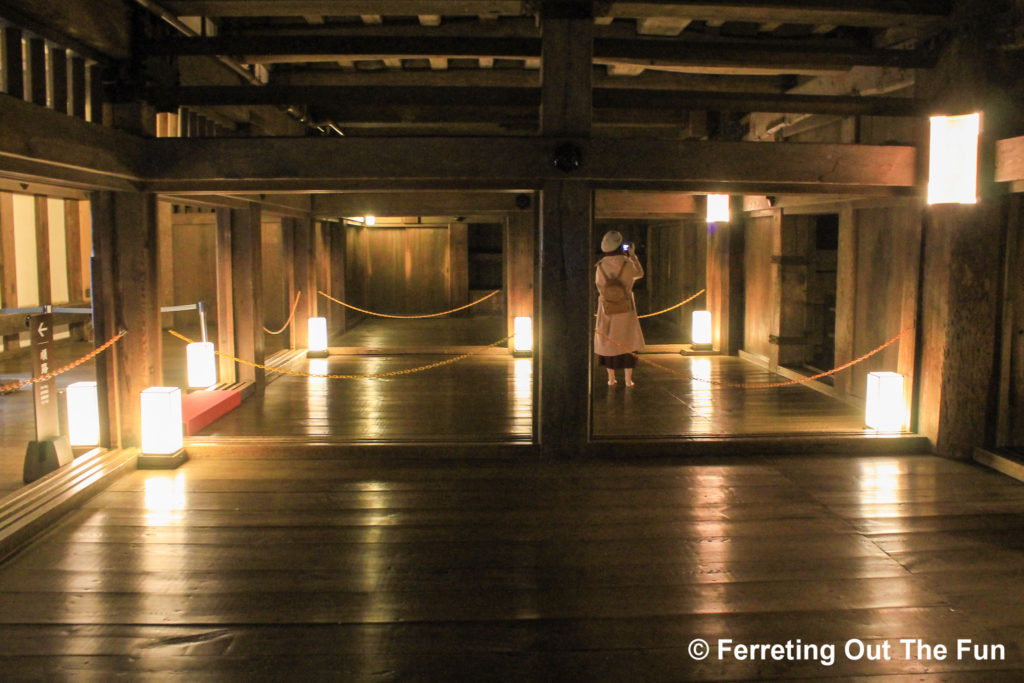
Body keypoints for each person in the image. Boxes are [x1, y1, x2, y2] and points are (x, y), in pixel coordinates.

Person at [594, 230, 645, 386]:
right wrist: (633, 256)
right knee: (628, 340)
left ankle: (611, 379)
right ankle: (628, 380)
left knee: (609, 342)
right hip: (626, 306)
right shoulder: (627, 263)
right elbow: (640, 274)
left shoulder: (600, 265)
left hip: (607, 307)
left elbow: (599, 286)